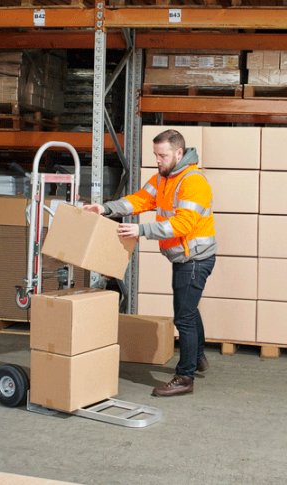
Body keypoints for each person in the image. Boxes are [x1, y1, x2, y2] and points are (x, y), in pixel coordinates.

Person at [83, 129, 216, 397]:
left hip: (194, 259)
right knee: (188, 309)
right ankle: (198, 357)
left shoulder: (193, 182)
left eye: (162, 155)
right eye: (156, 155)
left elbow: (183, 224)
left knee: (184, 316)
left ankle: (185, 377)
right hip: (184, 258)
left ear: (179, 154)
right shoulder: (165, 178)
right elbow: (141, 200)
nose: (157, 160)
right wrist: (106, 208)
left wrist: (141, 231)